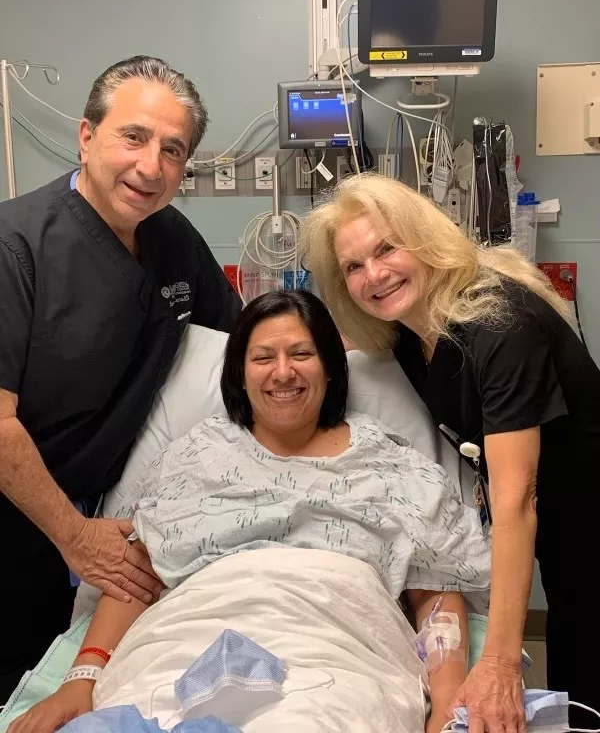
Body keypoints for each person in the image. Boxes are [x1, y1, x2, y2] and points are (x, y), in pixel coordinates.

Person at [7, 290, 490, 733]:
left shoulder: (388, 462)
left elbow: (438, 588)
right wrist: (82, 680)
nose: (283, 373)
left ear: (330, 369)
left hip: (336, 649)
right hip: (186, 639)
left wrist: (447, 706)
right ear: (239, 372)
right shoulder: (197, 455)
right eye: (263, 357)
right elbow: (138, 572)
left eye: (301, 354)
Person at [300, 172, 600, 731]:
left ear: (422, 238)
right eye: (354, 267)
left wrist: (501, 663)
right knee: (575, 650)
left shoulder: (498, 326)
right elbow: (348, 338)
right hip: (565, 527)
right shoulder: (415, 328)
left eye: (386, 248)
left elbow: (516, 499)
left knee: (588, 656)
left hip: (585, 513)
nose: (375, 274)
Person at [0, 55, 241, 701]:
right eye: (133, 137)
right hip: (17, 517)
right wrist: (76, 539)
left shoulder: (171, 239)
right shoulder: (16, 246)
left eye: (173, 150)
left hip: (107, 513)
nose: (151, 166)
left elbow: (241, 345)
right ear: (86, 136)